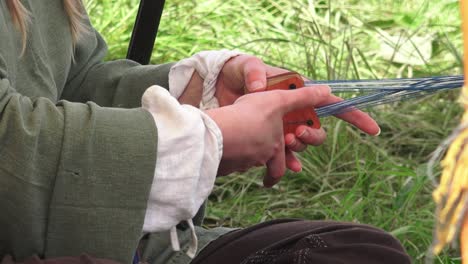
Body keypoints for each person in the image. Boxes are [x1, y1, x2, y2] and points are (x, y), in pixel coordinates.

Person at [0, 0, 411, 263]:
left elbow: (73, 84)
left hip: (127, 245)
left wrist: (200, 95)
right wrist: (200, 140)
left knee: (362, 255)